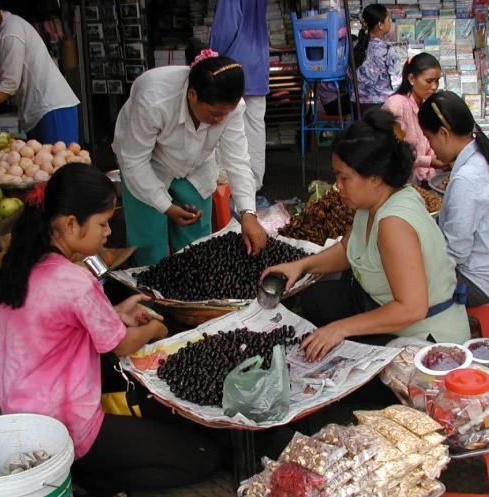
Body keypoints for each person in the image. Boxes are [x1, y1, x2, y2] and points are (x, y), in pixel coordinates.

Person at [0, 164, 219, 497]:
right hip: (67, 430)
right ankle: (85, 477)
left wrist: (116, 313)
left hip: (23, 425)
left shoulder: (20, 267)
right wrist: (156, 329)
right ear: (70, 224)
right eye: (102, 223)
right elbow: (123, 344)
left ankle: (82, 469)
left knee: (158, 415)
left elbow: (57, 327)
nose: (108, 233)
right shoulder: (75, 281)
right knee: (202, 457)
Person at [262, 110, 469, 362]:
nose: (337, 185)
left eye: (344, 177)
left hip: (422, 337)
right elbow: (348, 249)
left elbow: (412, 308)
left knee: (336, 368)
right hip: (380, 306)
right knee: (315, 299)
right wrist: (301, 265)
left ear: (374, 177)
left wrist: (339, 329)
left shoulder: (393, 223)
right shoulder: (370, 203)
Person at [113, 41, 267, 266]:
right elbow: (135, 162)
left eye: (226, 114)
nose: (220, 120)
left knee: (196, 249)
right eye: (215, 114)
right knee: (148, 250)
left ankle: (191, 300)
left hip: (195, 164)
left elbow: (237, 160)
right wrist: (166, 206)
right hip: (148, 165)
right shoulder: (154, 99)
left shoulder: (230, 106)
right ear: (193, 95)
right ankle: (148, 301)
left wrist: (248, 213)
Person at [419, 91, 489, 307]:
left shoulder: (467, 179)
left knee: (393, 283)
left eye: (429, 139)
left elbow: (455, 252)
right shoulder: (487, 157)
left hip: (476, 282)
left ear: (444, 133)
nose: (432, 148)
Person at [0, 0, 79, 144]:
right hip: (36, 112)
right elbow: (0, 82)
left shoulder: (11, 31)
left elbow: (9, 85)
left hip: (51, 108)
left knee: (61, 163)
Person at [210, 0, 269, 191]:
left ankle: (228, 184)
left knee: (224, 125)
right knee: (254, 126)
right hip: (258, 62)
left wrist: (211, 56)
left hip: (232, 64)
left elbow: (226, 28)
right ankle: (254, 181)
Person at [382, 53, 446, 185]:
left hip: (422, 178)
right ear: (411, 79)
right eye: (429, 81)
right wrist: (429, 161)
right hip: (400, 182)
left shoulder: (424, 105)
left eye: (437, 81)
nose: (434, 87)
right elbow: (392, 153)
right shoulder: (397, 105)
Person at [352, 4, 400, 113]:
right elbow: (397, 81)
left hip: (358, 103)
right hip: (382, 104)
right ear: (380, 25)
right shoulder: (388, 50)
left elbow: (349, 73)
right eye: (388, 19)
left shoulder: (353, 46)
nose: (390, 22)